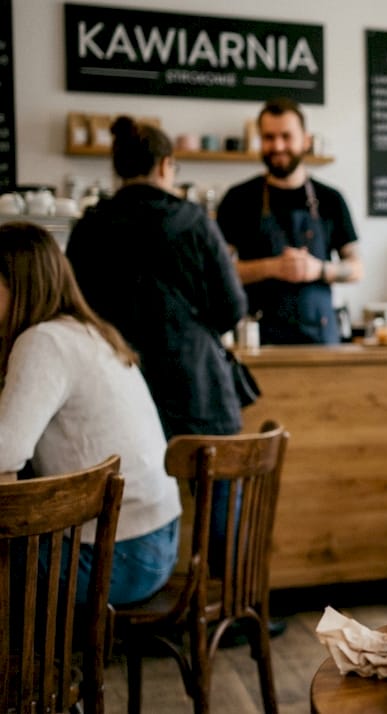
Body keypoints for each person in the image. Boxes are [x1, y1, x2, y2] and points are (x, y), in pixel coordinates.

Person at [0, 222, 181, 605]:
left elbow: (5, 452)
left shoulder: (43, 341)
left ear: (17, 284)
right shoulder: (85, 331)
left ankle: (35, 647)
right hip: (155, 542)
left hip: (116, 557)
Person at [67, 115, 247, 440]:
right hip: (194, 390)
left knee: (127, 470)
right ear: (165, 166)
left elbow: (73, 308)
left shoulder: (89, 226)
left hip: (115, 383)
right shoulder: (194, 222)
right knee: (203, 470)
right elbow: (232, 308)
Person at [216, 97, 362, 344]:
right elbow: (217, 271)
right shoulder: (238, 198)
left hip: (320, 341)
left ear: (305, 140)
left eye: (286, 136)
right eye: (269, 137)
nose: (278, 146)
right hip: (256, 340)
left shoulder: (331, 199)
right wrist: (271, 267)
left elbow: (357, 268)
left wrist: (319, 269)